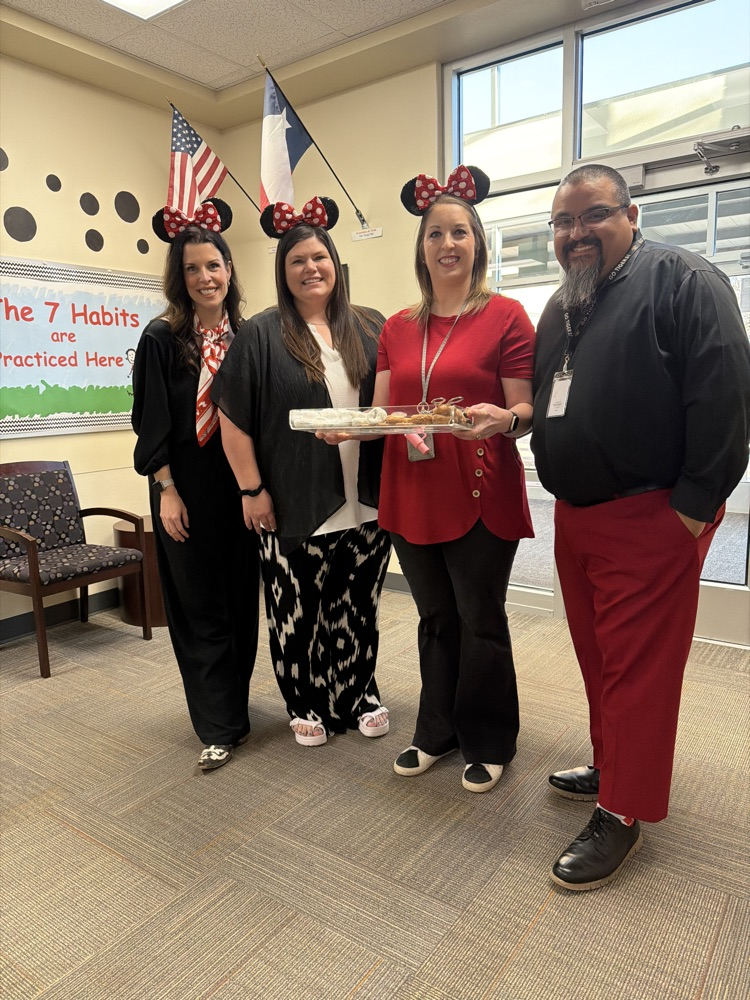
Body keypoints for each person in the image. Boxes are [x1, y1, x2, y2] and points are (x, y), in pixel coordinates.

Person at [532, 163, 750, 890]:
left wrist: (688, 512)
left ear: (631, 214)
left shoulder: (687, 281)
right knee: (600, 659)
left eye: (591, 215)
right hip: (578, 516)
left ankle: (622, 811)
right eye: (563, 223)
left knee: (639, 672)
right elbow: (549, 396)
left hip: (652, 514)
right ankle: (610, 763)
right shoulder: (564, 306)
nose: (575, 233)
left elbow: (724, 399)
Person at [374, 165, 536, 793]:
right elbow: (385, 414)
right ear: (421, 247)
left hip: (478, 487)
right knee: (434, 617)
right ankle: (436, 730)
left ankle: (491, 736)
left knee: (479, 617)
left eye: (460, 233)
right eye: (435, 233)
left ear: (477, 245)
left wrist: (503, 418)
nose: (447, 243)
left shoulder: (507, 316)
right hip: (412, 488)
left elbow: (522, 407)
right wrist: (347, 429)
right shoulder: (396, 326)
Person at [212, 197, 392, 747]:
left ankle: (358, 693)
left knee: (358, 607)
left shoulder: (371, 325)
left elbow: (389, 408)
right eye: (297, 261)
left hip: (366, 499)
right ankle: (305, 700)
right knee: (297, 611)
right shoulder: (261, 336)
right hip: (292, 499)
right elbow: (233, 421)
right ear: (283, 272)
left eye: (319, 257)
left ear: (335, 263)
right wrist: (252, 489)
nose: (311, 268)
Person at [132, 199, 259, 771]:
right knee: (199, 606)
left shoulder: (250, 338)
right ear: (178, 279)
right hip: (184, 489)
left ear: (229, 270)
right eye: (192, 269)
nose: (205, 277)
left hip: (245, 490)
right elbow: (151, 418)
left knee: (240, 603)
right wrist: (165, 489)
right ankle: (217, 725)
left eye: (213, 266)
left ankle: (235, 709)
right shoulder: (162, 339)